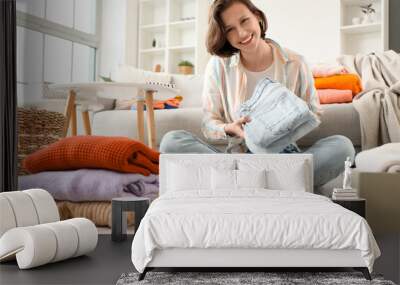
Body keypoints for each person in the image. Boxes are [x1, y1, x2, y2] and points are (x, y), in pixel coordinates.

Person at [160, 0, 355, 190]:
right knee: (172, 142)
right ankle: (277, 187)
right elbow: (209, 123)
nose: (242, 33)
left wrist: (282, 125)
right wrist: (231, 128)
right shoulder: (218, 66)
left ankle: (241, 187)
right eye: (230, 29)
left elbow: (314, 112)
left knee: (343, 147)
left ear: (257, 16)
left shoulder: (296, 62)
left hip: (283, 159)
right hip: (237, 161)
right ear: (224, 36)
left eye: (244, 21)